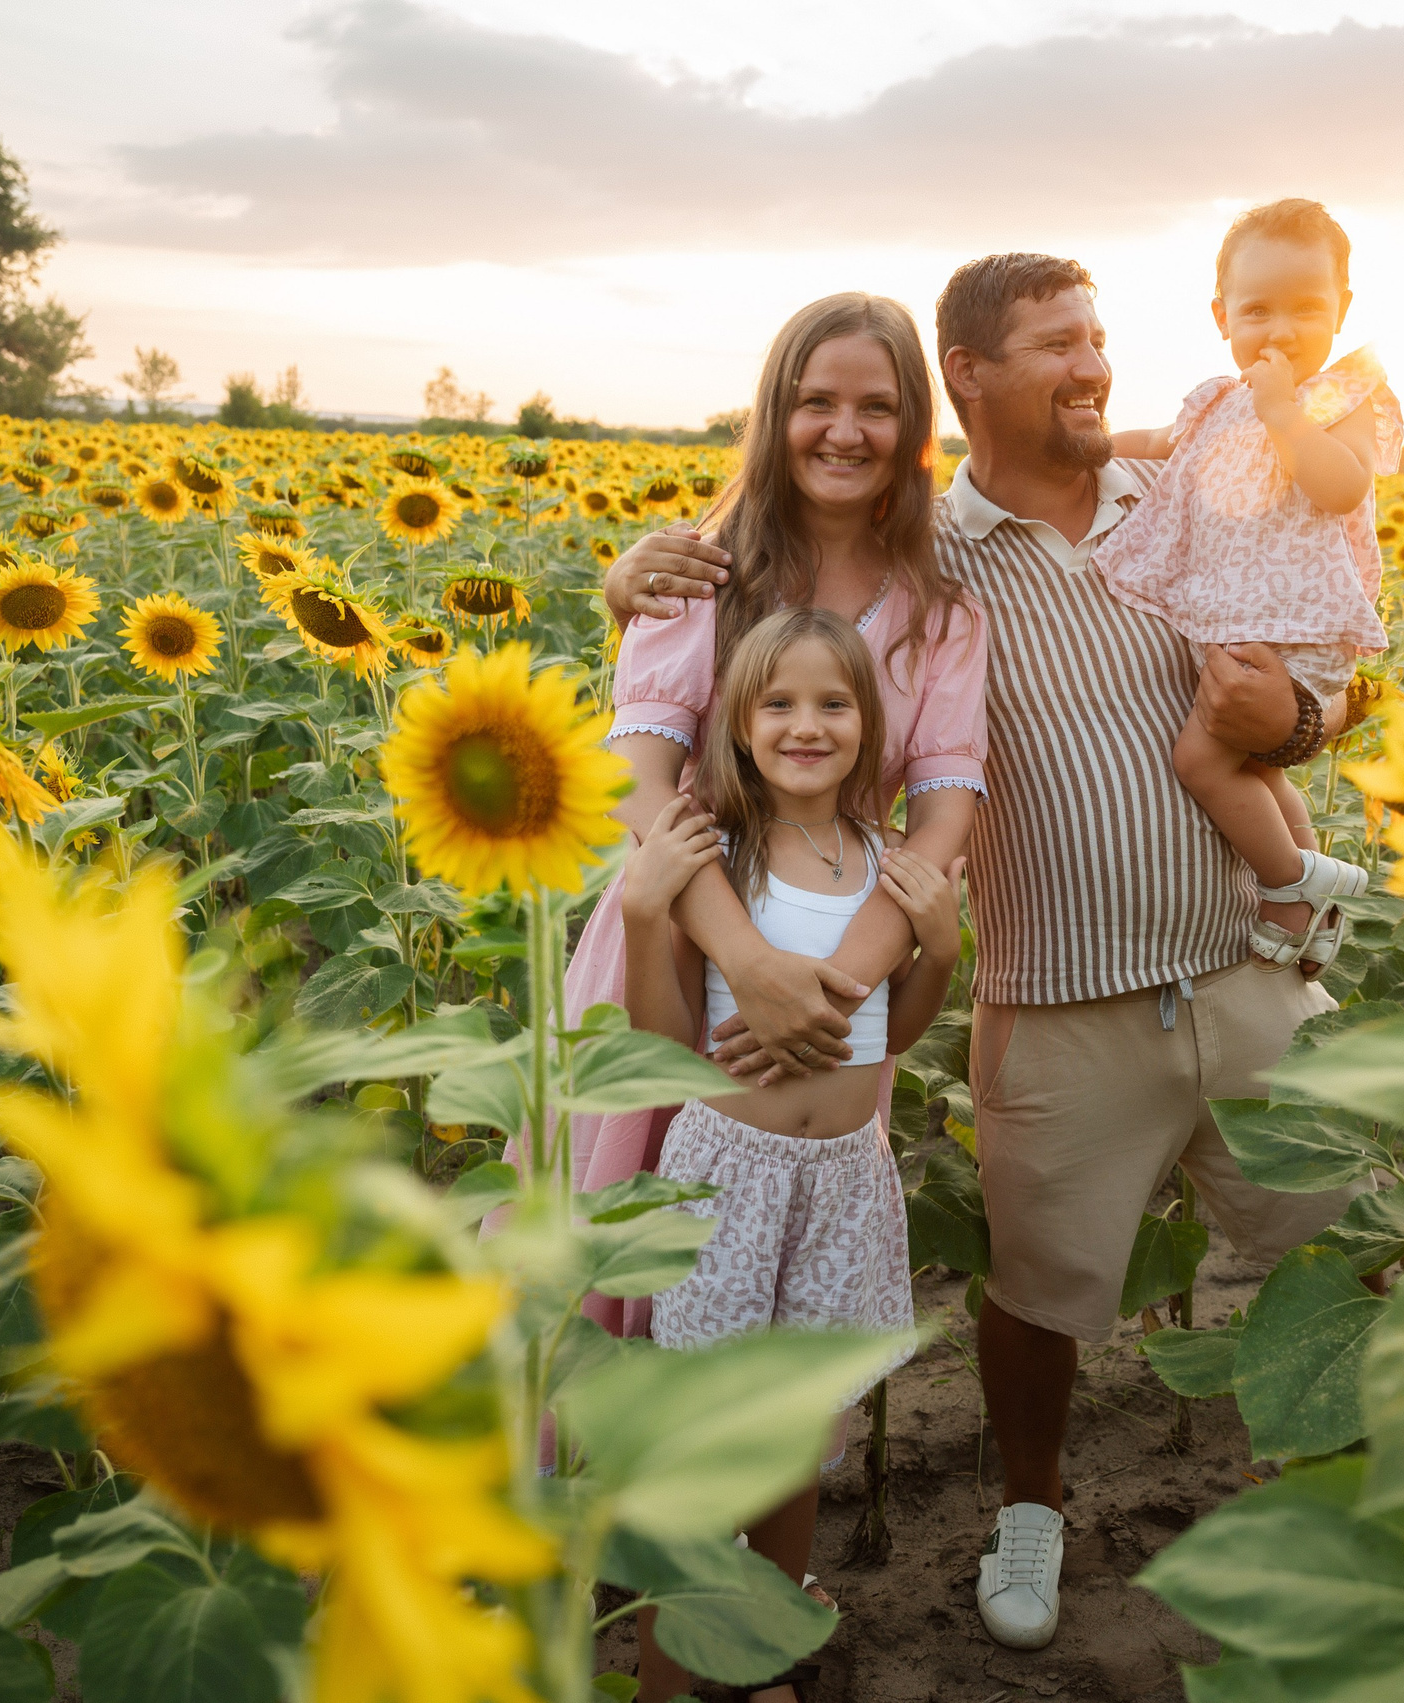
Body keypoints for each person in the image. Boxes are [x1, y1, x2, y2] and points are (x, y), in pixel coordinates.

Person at [604, 253, 1358, 1654]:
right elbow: (777, 604)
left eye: (1098, 338)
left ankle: (1356, 1515)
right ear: (966, 376)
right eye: (1057, 344)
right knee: (1033, 1280)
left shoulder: (1190, 493)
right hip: (1057, 980)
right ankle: (1026, 1508)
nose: (1094, 366)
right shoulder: (927, 566)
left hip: (1243, 957)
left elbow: (1325, 633)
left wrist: (1307, 720)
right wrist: (623, 575)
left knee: (1347, 1237)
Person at [560, 290, 987, 1340]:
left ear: (913, 426)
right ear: (774, 411)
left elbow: (943, 814)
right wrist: (746, 958)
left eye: (877, 406)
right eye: (816, 402)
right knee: (624, 1257)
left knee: (792, 1295)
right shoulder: (699, 570)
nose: (845, 430)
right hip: (677, 937)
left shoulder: (941, 613)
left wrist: (832, 984)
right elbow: (637, 776)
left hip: (842, 963)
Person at [620, 605, 964, 1703]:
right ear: (738, 720)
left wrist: (940, 947)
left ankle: (764, 1658)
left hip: (844, 1183)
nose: (805, 725)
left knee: (795, 1445)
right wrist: (643, 914)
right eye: (778, 702)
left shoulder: (886, 865)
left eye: (832, 703)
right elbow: (663, 1041)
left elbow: (894, 1036)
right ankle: (668, 1685)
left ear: (869, 724)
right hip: (728, 1177)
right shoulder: (715, 855)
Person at [1098, 198, 1401, 973]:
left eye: (1306, 308)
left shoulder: (1340, 397)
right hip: (1246, 623)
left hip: (1297, 628)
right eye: (1258, 309)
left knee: (1200, 763)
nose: (1281, 330)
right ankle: (1316, 901)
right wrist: (1092, 447)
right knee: (1254, 770)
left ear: (1342, 310)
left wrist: (1284, 417)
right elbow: (1159, 443)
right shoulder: (1216, 400)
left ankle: (1287, 887)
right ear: (1222, 317)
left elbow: (1341, 487)